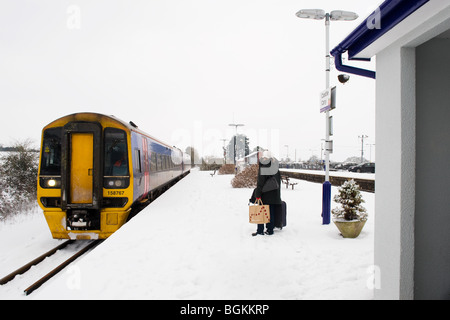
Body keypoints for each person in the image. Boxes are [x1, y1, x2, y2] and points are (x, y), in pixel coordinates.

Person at [252, 150, 281, 236]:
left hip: (265, 194)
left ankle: (260, 231)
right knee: (270, 212)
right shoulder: (275, 166)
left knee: (261, 212)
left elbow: (260, 183)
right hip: (274, 194)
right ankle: (270, 230)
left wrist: (257, 195)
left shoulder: (264, 166)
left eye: (263, 157)